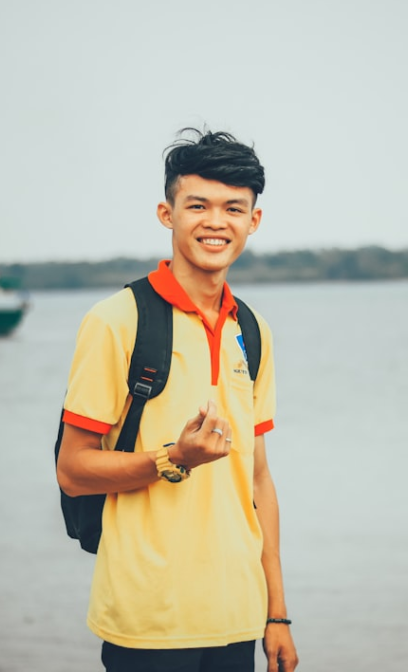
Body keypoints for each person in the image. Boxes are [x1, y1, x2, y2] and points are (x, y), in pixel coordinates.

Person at [56, 128, 299, 672]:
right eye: (198, 205)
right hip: (147, 620)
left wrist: (276, 613)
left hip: (238, 614)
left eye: (234, 208)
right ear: (167, 214)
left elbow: (258, 480)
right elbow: (72, 470)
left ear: (253, 221)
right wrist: (174, 458)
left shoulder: (253, 330)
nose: (217, 222)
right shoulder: (116, 321)